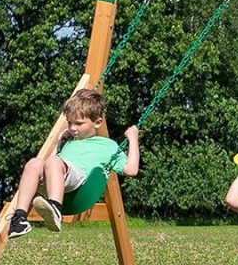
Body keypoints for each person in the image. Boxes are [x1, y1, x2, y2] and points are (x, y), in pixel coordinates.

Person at [7, 89, 139, 239]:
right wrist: (59, 142)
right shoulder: (67, 142)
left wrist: (133, 138)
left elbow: (131, 169)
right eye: (69, 122)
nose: (72, 128)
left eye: (79, 123)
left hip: (81, 183)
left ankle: (56, 208)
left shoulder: (107, 145)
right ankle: (19, 218)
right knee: (34, 163)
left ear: (97, 122)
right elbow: (47, 165)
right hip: (56, 180)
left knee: (53, 162)